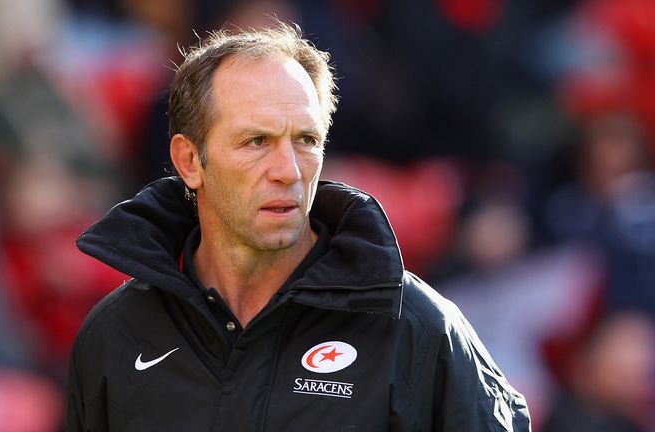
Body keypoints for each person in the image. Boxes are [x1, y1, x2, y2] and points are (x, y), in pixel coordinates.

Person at [65, 22, 530, 431]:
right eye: (257, 141)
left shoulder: (421, 332)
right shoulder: (115, 335)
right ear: (189, 161)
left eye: (306, 140)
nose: (288, 169)